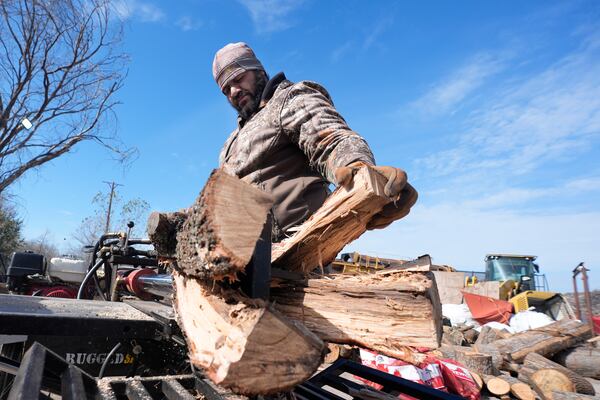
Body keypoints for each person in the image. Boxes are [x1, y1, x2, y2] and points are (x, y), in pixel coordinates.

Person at [213, 42, 417, 241]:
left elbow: (330, 140)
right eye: (226, 89)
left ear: (258, 71)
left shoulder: (287, 100)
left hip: (298, 252)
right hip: (242, 264)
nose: (233, 91)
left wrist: (359, 170)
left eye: (238, 78)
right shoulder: (229, 145)